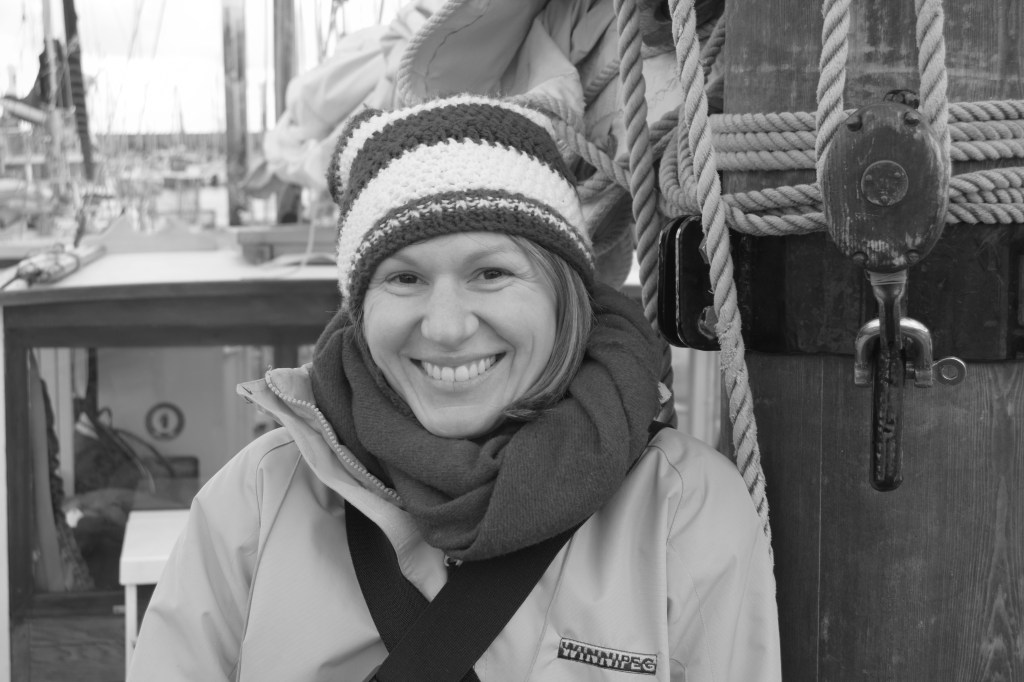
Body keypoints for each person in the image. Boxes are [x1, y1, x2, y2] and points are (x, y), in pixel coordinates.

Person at [127, 94, 781, 681]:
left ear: (565, 298)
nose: (445, 328)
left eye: (491, 273)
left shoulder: (683, 510)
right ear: (360, 310)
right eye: (404, 279)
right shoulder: (257, 500)